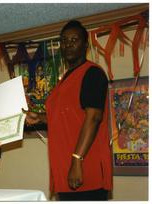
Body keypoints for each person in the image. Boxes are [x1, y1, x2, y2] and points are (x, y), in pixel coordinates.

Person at [25, 20, 112, 201]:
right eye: (64, 40)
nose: (68, 44)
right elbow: (65, 116)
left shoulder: (92, 73)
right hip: (64, 170)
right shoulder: (64, 80)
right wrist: (40, 117)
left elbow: (94, 117)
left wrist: (77, 159)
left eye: (74, 40)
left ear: (85, 45)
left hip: (85, 170)